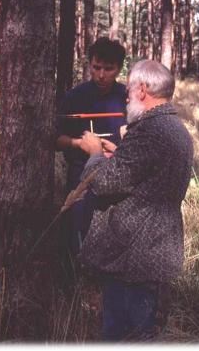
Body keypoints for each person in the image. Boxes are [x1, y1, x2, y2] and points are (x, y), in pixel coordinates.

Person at [63, 59, 194, 341]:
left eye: (129, 91)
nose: (126, 98)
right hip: (151, 252)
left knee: (127, 336)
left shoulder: (149, 131)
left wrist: (94, 152)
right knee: (139, 334)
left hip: (134, 257)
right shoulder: (175, 127)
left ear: (143, 90)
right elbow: (143, 175)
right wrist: (118, 154)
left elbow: (104, 183)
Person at [56, 37, 127, 259]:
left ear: (119, 68)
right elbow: (55, 139)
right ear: (89, 65)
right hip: (80, 175)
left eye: (109, 68)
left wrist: (119, 147)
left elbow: (139, 138)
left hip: (117, 176)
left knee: (113, 234)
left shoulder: (127, 97)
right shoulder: (75, 96)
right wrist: (80, 144)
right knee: (78, 228)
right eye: (96, 67)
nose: (101, 75)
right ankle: (76, 281)